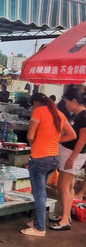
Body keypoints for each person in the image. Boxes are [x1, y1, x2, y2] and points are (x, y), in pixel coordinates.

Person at [21, 93, 75, 237]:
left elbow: (30, 136)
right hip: (53, 159)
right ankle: (37, 221)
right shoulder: (59, 114)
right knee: (42, 193)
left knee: (39, 194)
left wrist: (36, 144)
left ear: (37, 103)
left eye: (33, 104)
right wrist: (55, 140)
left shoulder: (38, 111)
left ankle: (39, 228)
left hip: (39, 158)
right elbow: (72, 135)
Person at [50, 89, 86, 230]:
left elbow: (82, 139)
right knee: (68, 186)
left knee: (63, 186)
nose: (65, 106)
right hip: (68, 153)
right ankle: (66, 215)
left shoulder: (83, 116)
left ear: (74, 101)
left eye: (66, 102)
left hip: (73, 155)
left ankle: (65, 220)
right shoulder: (77, 115)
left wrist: (72, 158)